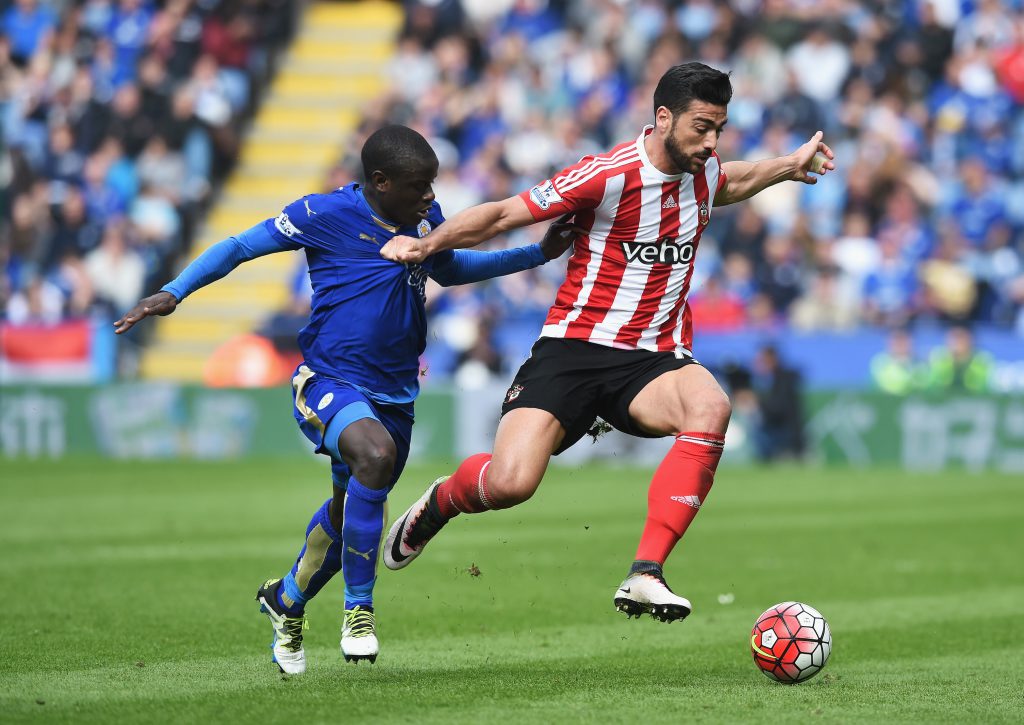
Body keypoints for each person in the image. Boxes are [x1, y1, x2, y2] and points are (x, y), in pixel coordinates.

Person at [379, 62, 835, 623]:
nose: (711, 141)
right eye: (701, 127)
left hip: (652, 359)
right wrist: (423, 247)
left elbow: (731, 180)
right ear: (662, 117)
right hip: (573, 349)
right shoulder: (606, 174)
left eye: (719, 128)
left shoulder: (705, 170)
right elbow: (502, 214)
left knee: (711, 406)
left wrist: (788, 166)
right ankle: (439, 503)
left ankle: (646, 573)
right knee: (510, 482)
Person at [113, 125, 575, 673]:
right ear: (379, 182)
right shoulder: (321, 215)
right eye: (419, 186)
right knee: (374, 458)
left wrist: (537, 253)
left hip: (397, 394)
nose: (431, 196)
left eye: (432, 185)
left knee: (348, 511)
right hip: (328, 381)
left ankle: (285, 598)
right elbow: (240, 246)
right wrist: (175, 291)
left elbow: (451, 270)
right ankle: (359, 611)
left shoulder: (423, 219)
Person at [751, 344, 805, 461]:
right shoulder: (765, 380)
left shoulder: (785, 379)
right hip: (778, 433)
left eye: (763, 360)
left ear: (772, 359)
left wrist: (756, 402)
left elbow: (779, 407)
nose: (760, 364)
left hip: (786, 436)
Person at [924, 325, 993, 393]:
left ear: (971, 340)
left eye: (960, 337)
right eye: (953, 337)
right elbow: (933, 389)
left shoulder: (981, 360)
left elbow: (982, 390)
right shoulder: (939, 357)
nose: (956, 342)